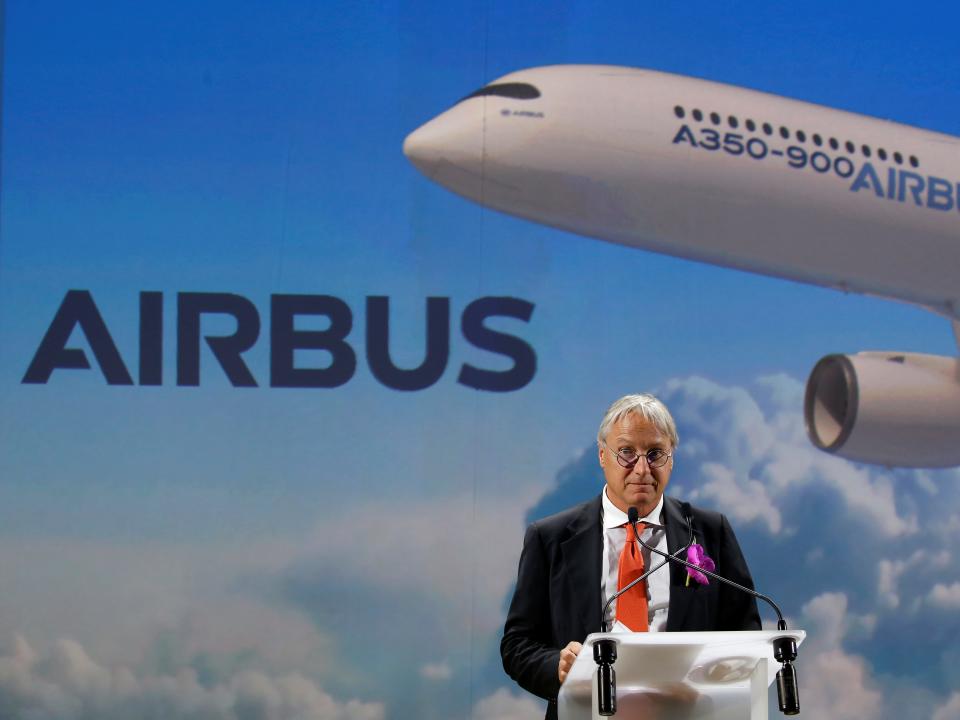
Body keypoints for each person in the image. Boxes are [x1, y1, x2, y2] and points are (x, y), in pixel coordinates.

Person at [500, 393, 762, 720]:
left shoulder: (711, 531)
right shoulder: (550, 537)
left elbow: (745, 635)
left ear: (672, 459)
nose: (641, 468)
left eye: (655, 454)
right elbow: (518, 646)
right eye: (626, 452)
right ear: (602, 455)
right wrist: (559, 666)